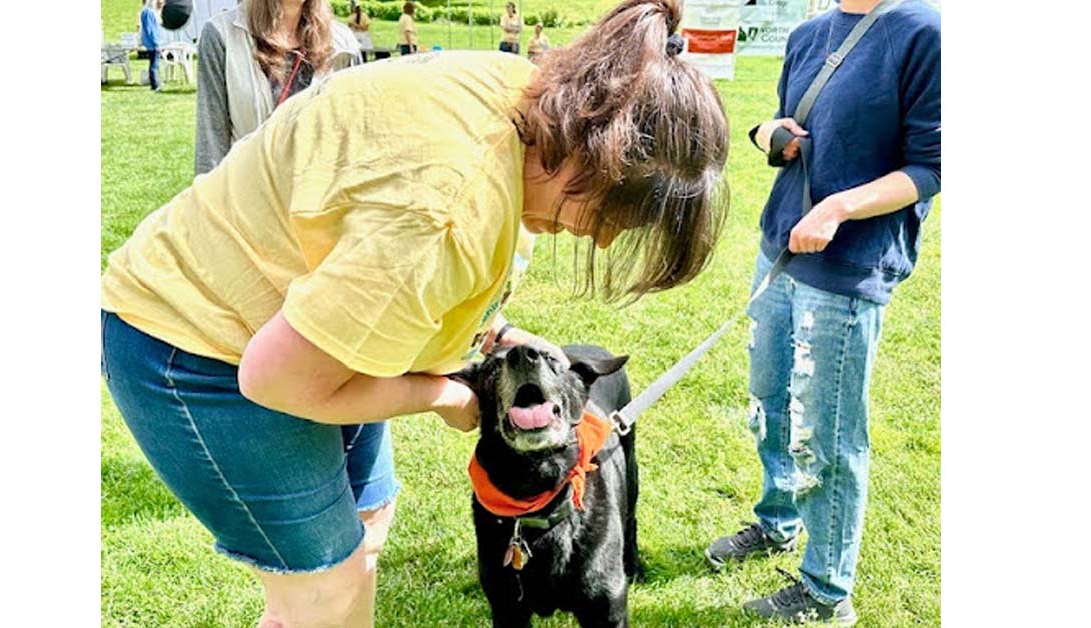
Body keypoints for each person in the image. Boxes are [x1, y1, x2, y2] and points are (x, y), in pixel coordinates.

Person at [101, 1, 729, 625]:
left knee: (366, 530)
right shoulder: (443, 214)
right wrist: (444, 397)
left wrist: (495, 334)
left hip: (317, 331)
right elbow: (277, 379)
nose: (606, 240)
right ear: (594, 156)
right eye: (616, 216)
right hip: (200, 343)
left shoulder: (532, 102)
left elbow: (407, 275)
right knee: (324, 587)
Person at [703, 0, 940, 624]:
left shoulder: (924, 32)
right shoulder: (808, 33)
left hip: (848, 266)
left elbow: (931, 167)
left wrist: (838, 208)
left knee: (828, 431)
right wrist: (769, 134)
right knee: (770, 403)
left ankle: (826, 590)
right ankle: (776, 520)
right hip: (779, 250)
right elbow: (785, 127)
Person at [195, 0, 362, 175]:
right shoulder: (222, 35)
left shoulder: (344, 44)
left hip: (321, 188)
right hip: (251, 186)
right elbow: (211, 141)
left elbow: (356, 137)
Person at [138, 0, 163, 91]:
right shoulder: (148, 12)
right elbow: (150, 30)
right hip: (153, 43)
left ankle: (156, 82)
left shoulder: (147, 12)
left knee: (154, 63)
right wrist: (156, 43)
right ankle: (155, 84)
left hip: (151, 42)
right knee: (154, 64)